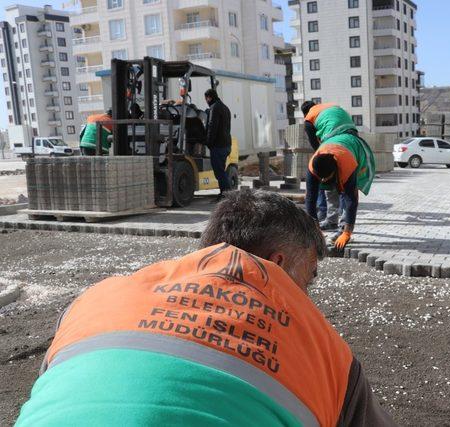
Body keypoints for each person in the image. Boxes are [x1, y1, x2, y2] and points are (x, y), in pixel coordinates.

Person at [16, 190, 395, 427]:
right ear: (277, 264)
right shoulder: (325, 354)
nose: (307, 298)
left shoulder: (92, 303)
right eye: (309, 279)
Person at [304, 105, 375, 250]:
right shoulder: (312, 166)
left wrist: (348, 232)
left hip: (349, 141)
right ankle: (331, 222)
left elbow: (351, 199)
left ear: (335, 168)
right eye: (321, 179)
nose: (323, 182)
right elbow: (310, 199)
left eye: (327, 178)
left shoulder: (347, 162)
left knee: (344, 191)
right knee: (325, 192)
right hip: (341, 121)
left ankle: (342, 228)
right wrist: (314, 230)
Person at [301, 100, 341, 230]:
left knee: (326, 187)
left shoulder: (309, 119)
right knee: (343, 188)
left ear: (305, 113)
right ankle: (339, 221)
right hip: (345, 142)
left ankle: (326, 218)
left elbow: (315, 146)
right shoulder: (329, 110)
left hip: (329, 148)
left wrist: (322, 157)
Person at [205, 87, 232, 201]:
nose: (206, 101)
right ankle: (225, 194)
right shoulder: (225, 108)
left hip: (218, 146)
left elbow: (212, 126)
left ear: (209, 97)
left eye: (206, 99)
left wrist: (209, 143)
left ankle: (227, 196)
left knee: (219, 172)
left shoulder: (214, 108)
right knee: (221, 171)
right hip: (226, 145)